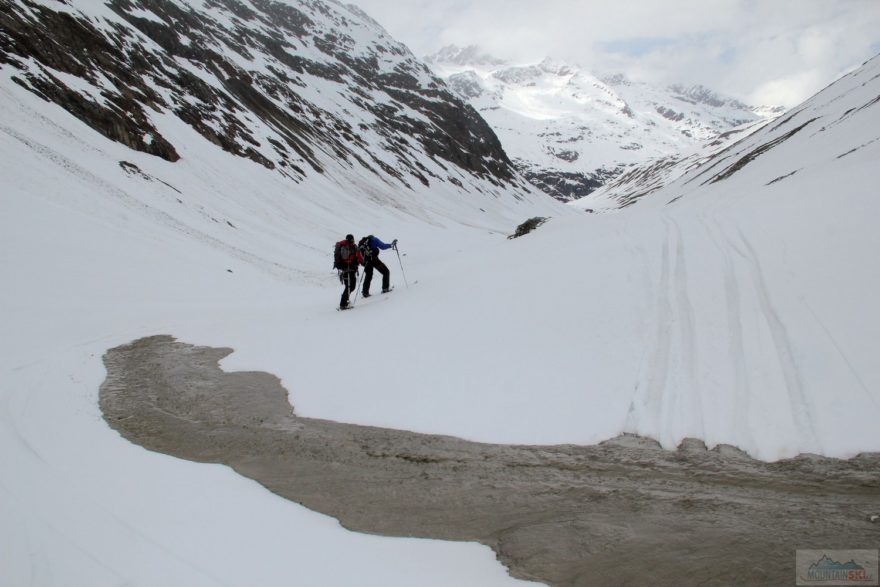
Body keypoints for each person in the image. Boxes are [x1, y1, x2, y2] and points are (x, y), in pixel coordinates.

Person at [333, 234, 363, 309]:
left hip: (347, 268)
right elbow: (354, 257)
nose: (353, 241)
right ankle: (343, 304)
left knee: (350, 286)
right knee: (350, 286)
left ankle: (345, 302)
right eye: (352, 240)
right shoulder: (346, 247)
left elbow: (358, 256)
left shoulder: (351, 246)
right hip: (347, 268)